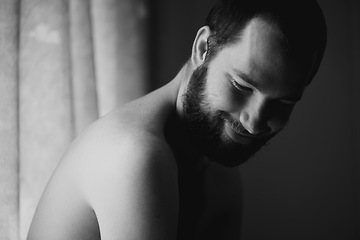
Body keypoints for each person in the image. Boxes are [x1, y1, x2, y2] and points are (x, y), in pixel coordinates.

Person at [27, 0, 327, 239]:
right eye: (242, 86)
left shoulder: (220, 176)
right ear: (201, 49)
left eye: (284, 102)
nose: (253, 122)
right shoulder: (133, 154)